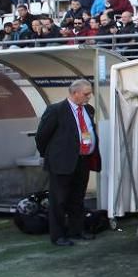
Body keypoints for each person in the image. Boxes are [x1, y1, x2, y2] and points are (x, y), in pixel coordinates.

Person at [34, 79, 101, 247]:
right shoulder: (56, 110)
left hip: (83, 159)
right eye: (86, 94)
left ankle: (76, 231)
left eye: (90, 93)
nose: (89, 97)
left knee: (77, 198)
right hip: (61, 162)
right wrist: (49, 155)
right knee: (59, 200)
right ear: (74, 93)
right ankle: (58, 236)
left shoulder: (88, 110)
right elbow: (41, 136)